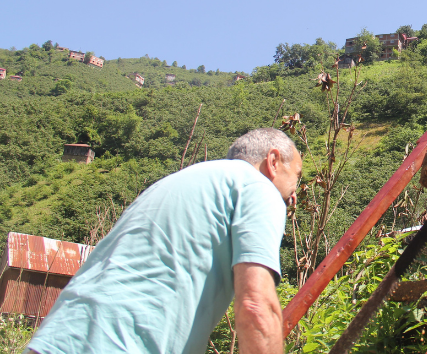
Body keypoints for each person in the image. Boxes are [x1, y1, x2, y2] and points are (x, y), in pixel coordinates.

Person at [26, 128, 302, 354]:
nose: (294, 196)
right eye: (297, 178)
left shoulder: (177, 183)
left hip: (57, 339)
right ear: (273, 162)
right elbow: (255, 306)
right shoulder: (258, 187)